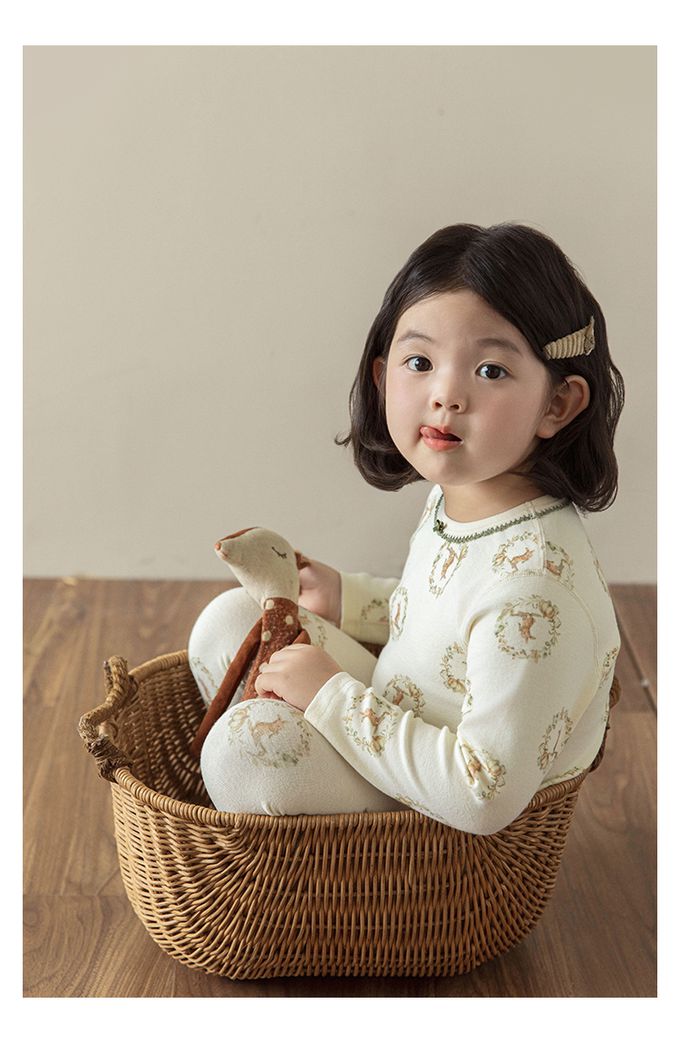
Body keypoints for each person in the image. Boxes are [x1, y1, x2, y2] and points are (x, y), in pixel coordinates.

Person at [189, 222, 624, 834]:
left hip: (445, 794)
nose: (446, 394)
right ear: (382, 377)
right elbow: (447, 620)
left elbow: (484, 795)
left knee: (242, 752)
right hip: (398, 715)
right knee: (231, 620)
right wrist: (351, 599)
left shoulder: (535, 589)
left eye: (491, 371)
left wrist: (330, 697)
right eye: (420, 362)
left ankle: (334, 840)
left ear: (557, 404)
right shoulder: (463, 497)